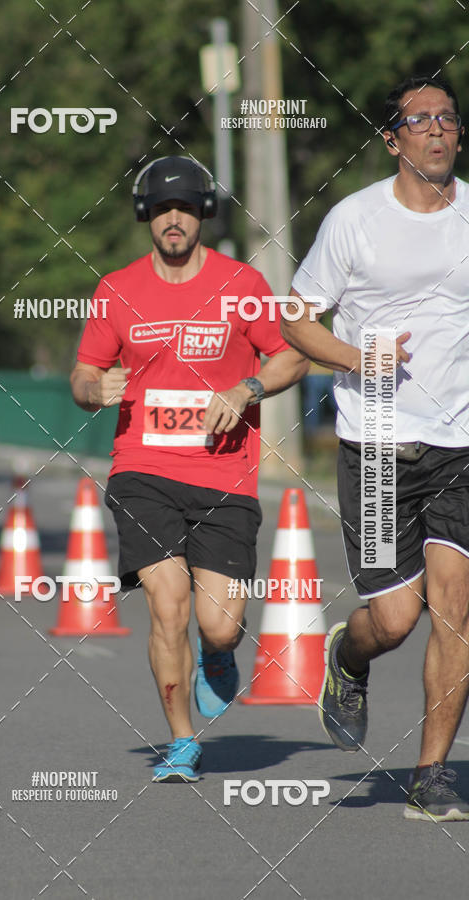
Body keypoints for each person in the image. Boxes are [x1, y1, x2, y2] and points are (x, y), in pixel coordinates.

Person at [70, 155, 308, 782]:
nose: (172, 219)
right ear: (145, 215)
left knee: (219, 625)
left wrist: (246, 389)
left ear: (203, 213)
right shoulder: (116, 289)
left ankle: (219, 654)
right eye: (160, 209)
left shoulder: (243, 285)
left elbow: (291, 359)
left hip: (224, 475)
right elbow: (84, 373)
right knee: (167, 604)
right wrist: (94, 390)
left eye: (185, 208)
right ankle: (180, 741)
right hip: (141, 469)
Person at [283, 74, 469, 821]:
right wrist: (357, 359)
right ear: (391, 138)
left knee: (455, 612)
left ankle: (431, 776)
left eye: (448, 118)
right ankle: (348, 657)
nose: (437, 130)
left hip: (461, 442)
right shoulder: (354, 221)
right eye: (419, 120)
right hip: (380, 441)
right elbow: (295, 320)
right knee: (394, 620)